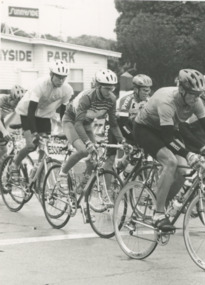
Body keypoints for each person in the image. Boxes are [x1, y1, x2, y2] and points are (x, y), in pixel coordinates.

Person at [133, 69, 205, 231]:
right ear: (182, 90)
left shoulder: (196, 101)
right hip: (146, 129)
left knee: (183, 170)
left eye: (199, 94)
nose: (196, 99)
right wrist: (188, 153)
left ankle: (162, 206)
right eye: (193, 94)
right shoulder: (167, 102)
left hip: (168, 129)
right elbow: (168, 139)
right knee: (170, 162)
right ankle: (158, 214)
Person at [58, 69, 126, 199]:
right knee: (84, 150)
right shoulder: (87, 97)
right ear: (98, 86)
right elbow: (78, 124)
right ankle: (62, 174)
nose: (110, 91)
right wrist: (88, 143)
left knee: (94, 158)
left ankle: (82, 187)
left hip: (87, 123)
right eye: (107, 88)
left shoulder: (111, 99)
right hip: (71, 121)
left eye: (112, 88)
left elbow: (113, 124)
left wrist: (122, 141)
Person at [10, 60, 73, 181]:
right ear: (51, 74)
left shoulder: (67, 89)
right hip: (27, 112)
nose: (60, 81)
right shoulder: (40, 84)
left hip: (45, 115)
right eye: (58, 77)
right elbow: (31, 111)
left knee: (45, 145)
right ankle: (15, 164)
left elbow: (63, 113)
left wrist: (66, 130)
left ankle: (38, 171)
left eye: (63, 78)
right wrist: (34, 132)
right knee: (31, 145)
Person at [103, 74, 153, 174]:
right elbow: (122, 123)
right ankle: (108, 187)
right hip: (114, 124)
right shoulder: (127, 99)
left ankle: (123, 168)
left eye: (149, 90)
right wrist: (135, 138)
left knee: (139, 146)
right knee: (110, 157)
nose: (147, 93)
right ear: (136, 89)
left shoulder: (148, 101)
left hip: (128, 123)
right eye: (144, 90)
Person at [0, 85, 27, 159]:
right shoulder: (3, 99)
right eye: (16, 103)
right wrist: (4, 131)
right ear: (10, 98)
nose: (17, 105)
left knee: (3, 148)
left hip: (1, 119)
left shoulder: (18, 104)